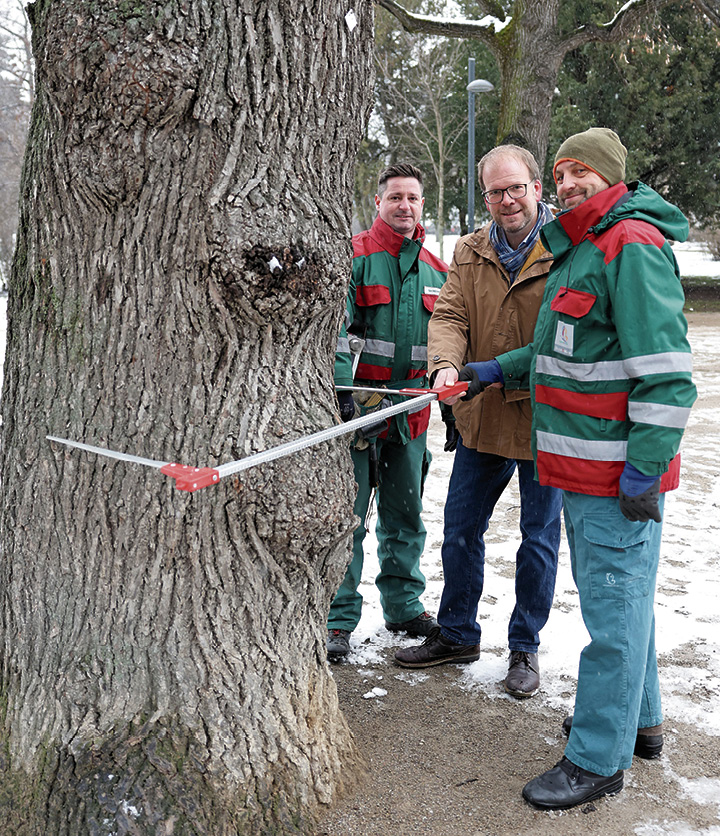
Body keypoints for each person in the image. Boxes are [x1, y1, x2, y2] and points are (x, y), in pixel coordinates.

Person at [487, 128, 696, 809]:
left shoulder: (628, 245)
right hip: (584, 471)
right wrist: (495, 371)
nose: (570, 182)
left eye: (583, 173)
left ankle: (597, 759)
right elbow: (559, 356)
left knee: (610, 613)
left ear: (611, 177)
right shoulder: (581, 250)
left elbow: (666, 376)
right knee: (626, 602)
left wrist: (644, 469)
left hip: (616, 477)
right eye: (563, 172)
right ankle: (641, 725)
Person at [394, 145, 563, 699]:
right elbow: (450, 314)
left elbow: (560, 341)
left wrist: (493, 368)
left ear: (538, 188)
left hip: (546, 420)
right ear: (484, 196)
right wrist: (443, 363)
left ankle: (525, 648)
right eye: (495, 191)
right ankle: (458, 634)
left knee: (538, 540)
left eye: (516, 188)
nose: (506, 200)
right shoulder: (469, 250)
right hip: (482, 417)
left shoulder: (568, 249)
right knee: (461, 530)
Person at [326, 163, 449, 662]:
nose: (404, 205)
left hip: (411, 414)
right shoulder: (353, 259)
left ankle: (403, 607)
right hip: (356, 411)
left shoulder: (439, 272)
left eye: (413, 198)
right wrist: (341, 392)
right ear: (378, 203)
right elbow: (332, 331)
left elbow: (447, 342)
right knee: (348, 518)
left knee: (405, 516)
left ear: (423, 205)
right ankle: (336, 620)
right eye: (395, 197)